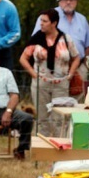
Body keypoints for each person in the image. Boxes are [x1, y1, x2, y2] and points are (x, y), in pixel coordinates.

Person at [20, 8, 80, 137]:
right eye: (40, 20)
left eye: (45, 21)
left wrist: (71, 74)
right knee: (42, 118)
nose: (41, 23)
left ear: (54, 23)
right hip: (41, 83)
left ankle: (60, 146)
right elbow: (23, 58)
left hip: (61, 83)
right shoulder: (36, 38)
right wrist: (33, 74)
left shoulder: (65, 38)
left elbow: (76, 58)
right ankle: (43, 147)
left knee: (59, 117)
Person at [32, 0, 89, 84]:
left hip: (79, 68)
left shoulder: (82, 19)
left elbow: (88, 45)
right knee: (55, 99)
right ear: (59, 0)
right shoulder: (47, 17)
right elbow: (34, 42)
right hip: (52, 69)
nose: (68, 2)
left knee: (79, 99)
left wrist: (85, 65)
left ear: (77, 0)